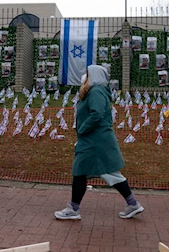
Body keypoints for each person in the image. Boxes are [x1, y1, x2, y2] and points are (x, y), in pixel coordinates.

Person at [54, 65, 144, 220]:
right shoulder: (96, 91)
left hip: (95, 141)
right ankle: (132, 203)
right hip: (94, 140)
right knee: (98, 172)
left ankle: (74, 209)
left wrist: (82, 129)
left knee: (87, 171)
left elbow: (97, 114)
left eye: (87, 74)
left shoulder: (96, 92)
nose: (84, 76)